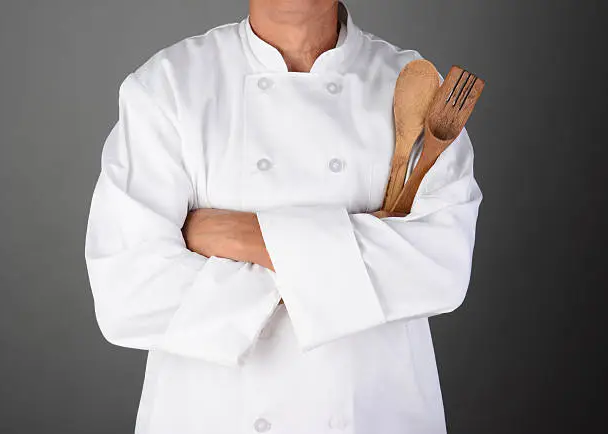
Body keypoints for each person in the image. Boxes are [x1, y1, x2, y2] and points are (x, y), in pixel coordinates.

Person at [84, 0, 482, 433]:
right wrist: (350, 266)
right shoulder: (169, 86)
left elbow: (441, 267)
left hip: (373, 414)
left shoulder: (413, 86)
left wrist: (241, 236)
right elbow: (127, 292)